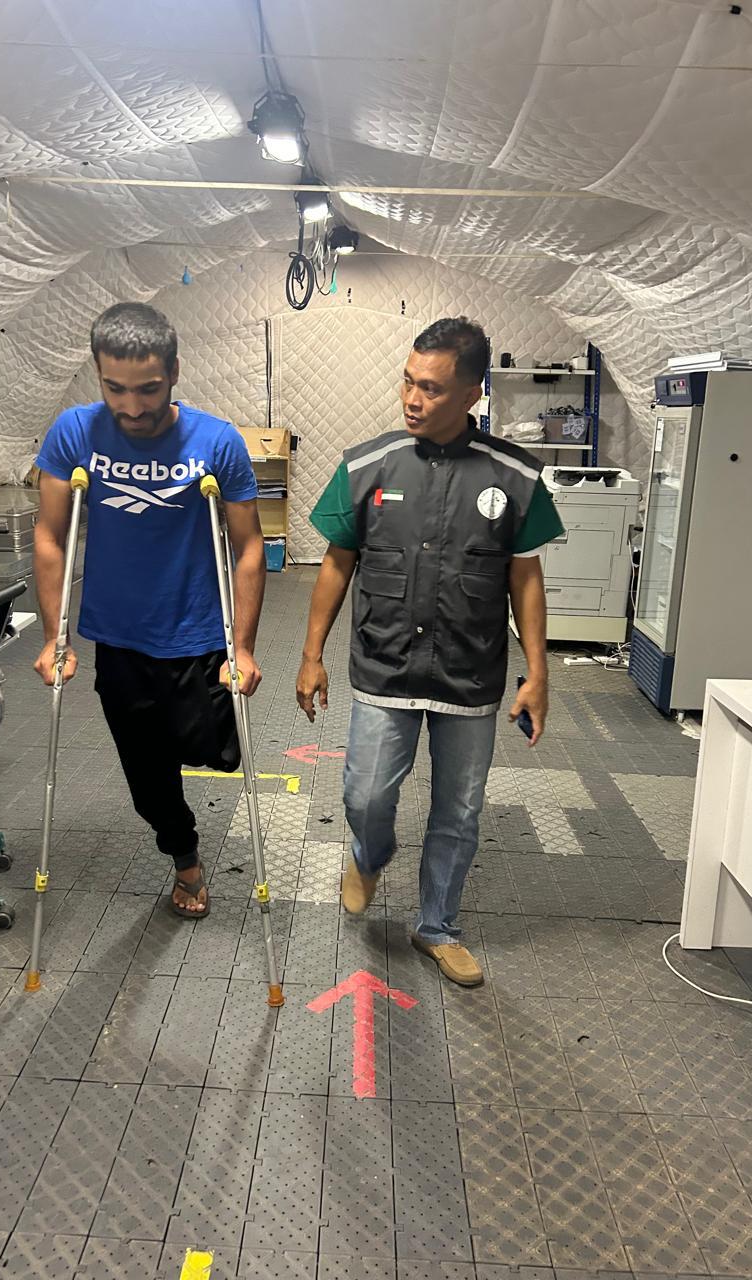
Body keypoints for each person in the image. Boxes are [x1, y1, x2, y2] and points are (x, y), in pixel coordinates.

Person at [296, 317, 564, 986]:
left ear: (472, 394)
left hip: (470, 675)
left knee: (459, 812)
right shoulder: (367, 466)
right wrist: (311, 654)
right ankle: (369, 854)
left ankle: (438, 927)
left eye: (433, 389)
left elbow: (526, 578)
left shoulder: (515, 476)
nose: (413, 399)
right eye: (408, 382)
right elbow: (336, 562)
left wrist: (538, 673)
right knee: (365, 795)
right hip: (384, 665)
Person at [33, 302, 265, 920]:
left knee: (209, 747)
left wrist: (243, 648)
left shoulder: (217, 441)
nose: (132, 407)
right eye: (116, 389)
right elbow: (51, 536)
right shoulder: (74, 434)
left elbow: (249, 547)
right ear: (98, 375)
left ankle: (189, 769)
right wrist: (55, 635)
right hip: (120, 635)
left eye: (148, 389)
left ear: (175, 373)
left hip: (198, 630)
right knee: (147, 775)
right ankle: (184, 856)